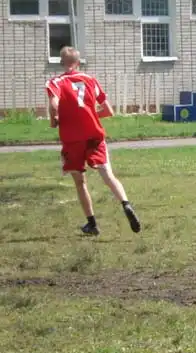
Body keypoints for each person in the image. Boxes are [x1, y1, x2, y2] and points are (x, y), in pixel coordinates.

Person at [45, 46, 140, 236]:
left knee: (80, 182)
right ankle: (125, 204)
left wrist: (55, 119)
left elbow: (54, 104)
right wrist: (91, 116)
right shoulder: (90, 80)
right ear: (78, 62)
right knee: (108, 174)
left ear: (61, 62)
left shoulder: (56, 82)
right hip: (94, 134)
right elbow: (108, 110)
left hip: (72, 138)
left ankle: (92, 224)